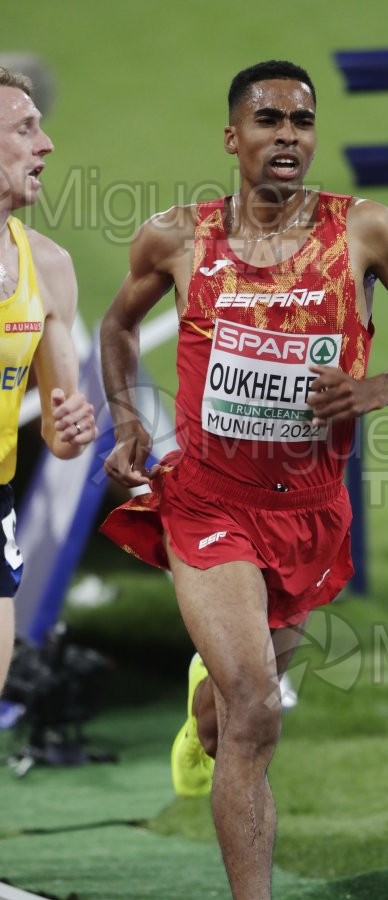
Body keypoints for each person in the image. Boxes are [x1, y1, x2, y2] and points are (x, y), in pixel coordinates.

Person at [100, 59, 388, 900]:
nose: (288, 137)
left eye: (302, 122)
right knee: (260, 711)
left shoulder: (366, 231)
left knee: (229, 714)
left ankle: (200, 722)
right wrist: (129, 418)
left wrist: (377, 387)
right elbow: (118, 327)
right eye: (269, 121)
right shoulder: (177, 238)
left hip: (309, 513)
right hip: (208, 501)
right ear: (233, 137)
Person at [0, 67, 97, 694]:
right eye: (24, 128)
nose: (47, 144)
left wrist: (75, 428)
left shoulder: (49, 267)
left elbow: (65, 430)